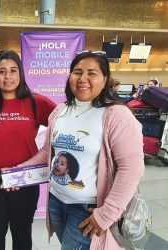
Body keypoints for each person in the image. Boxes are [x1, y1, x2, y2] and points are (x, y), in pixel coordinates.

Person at [18, 51, 144, 249]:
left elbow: (131, 169)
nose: (83, 79)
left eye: (92, 73)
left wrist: (106, 214)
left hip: (88, 209)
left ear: (105, 80)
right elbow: (47, 153)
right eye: (77, 72)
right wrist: (17, 172)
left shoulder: (116, 115)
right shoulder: (60, 111)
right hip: (57, 203)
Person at [0, 50, 56, 250]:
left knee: (21, 233)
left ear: (20, 74)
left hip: (24, 180)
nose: (8, 76)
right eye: (2, 71)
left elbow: (64, 123)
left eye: (13, 70)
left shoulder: (35, 102)